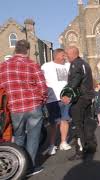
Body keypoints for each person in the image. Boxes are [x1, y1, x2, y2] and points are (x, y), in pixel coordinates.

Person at [0, 40, 48, 176]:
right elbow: (42, 88)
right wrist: (41, 101)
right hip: (33, 105)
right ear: (27, 50)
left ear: (15, 50)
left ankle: (18, 166)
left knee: (19, 136)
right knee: (33, 137)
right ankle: (30, 167)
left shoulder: (3, 66)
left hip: (15, 107)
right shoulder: (32, 64)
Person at [61, 46, 97, 161]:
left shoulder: (75, 64)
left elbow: (76, 79)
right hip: (87, 97)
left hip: (80, 98)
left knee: (77, 125)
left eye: (67, 54)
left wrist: (67, 93)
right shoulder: (84, 63)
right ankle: (90, 146)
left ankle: (80, 151)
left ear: (72, 54)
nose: (66, 57)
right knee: (87, 122)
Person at [41, 48, 72, 156]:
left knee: (65, 120)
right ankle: (52, 145)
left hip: (66, 98)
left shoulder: (68, 66)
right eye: (63, 55)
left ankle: (63, 142)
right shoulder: (46, 66)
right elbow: (41, 81)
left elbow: (71, 81)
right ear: (56, 55)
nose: (65, 57)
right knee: (54, 123)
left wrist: (69, 94)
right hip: (52, 99)